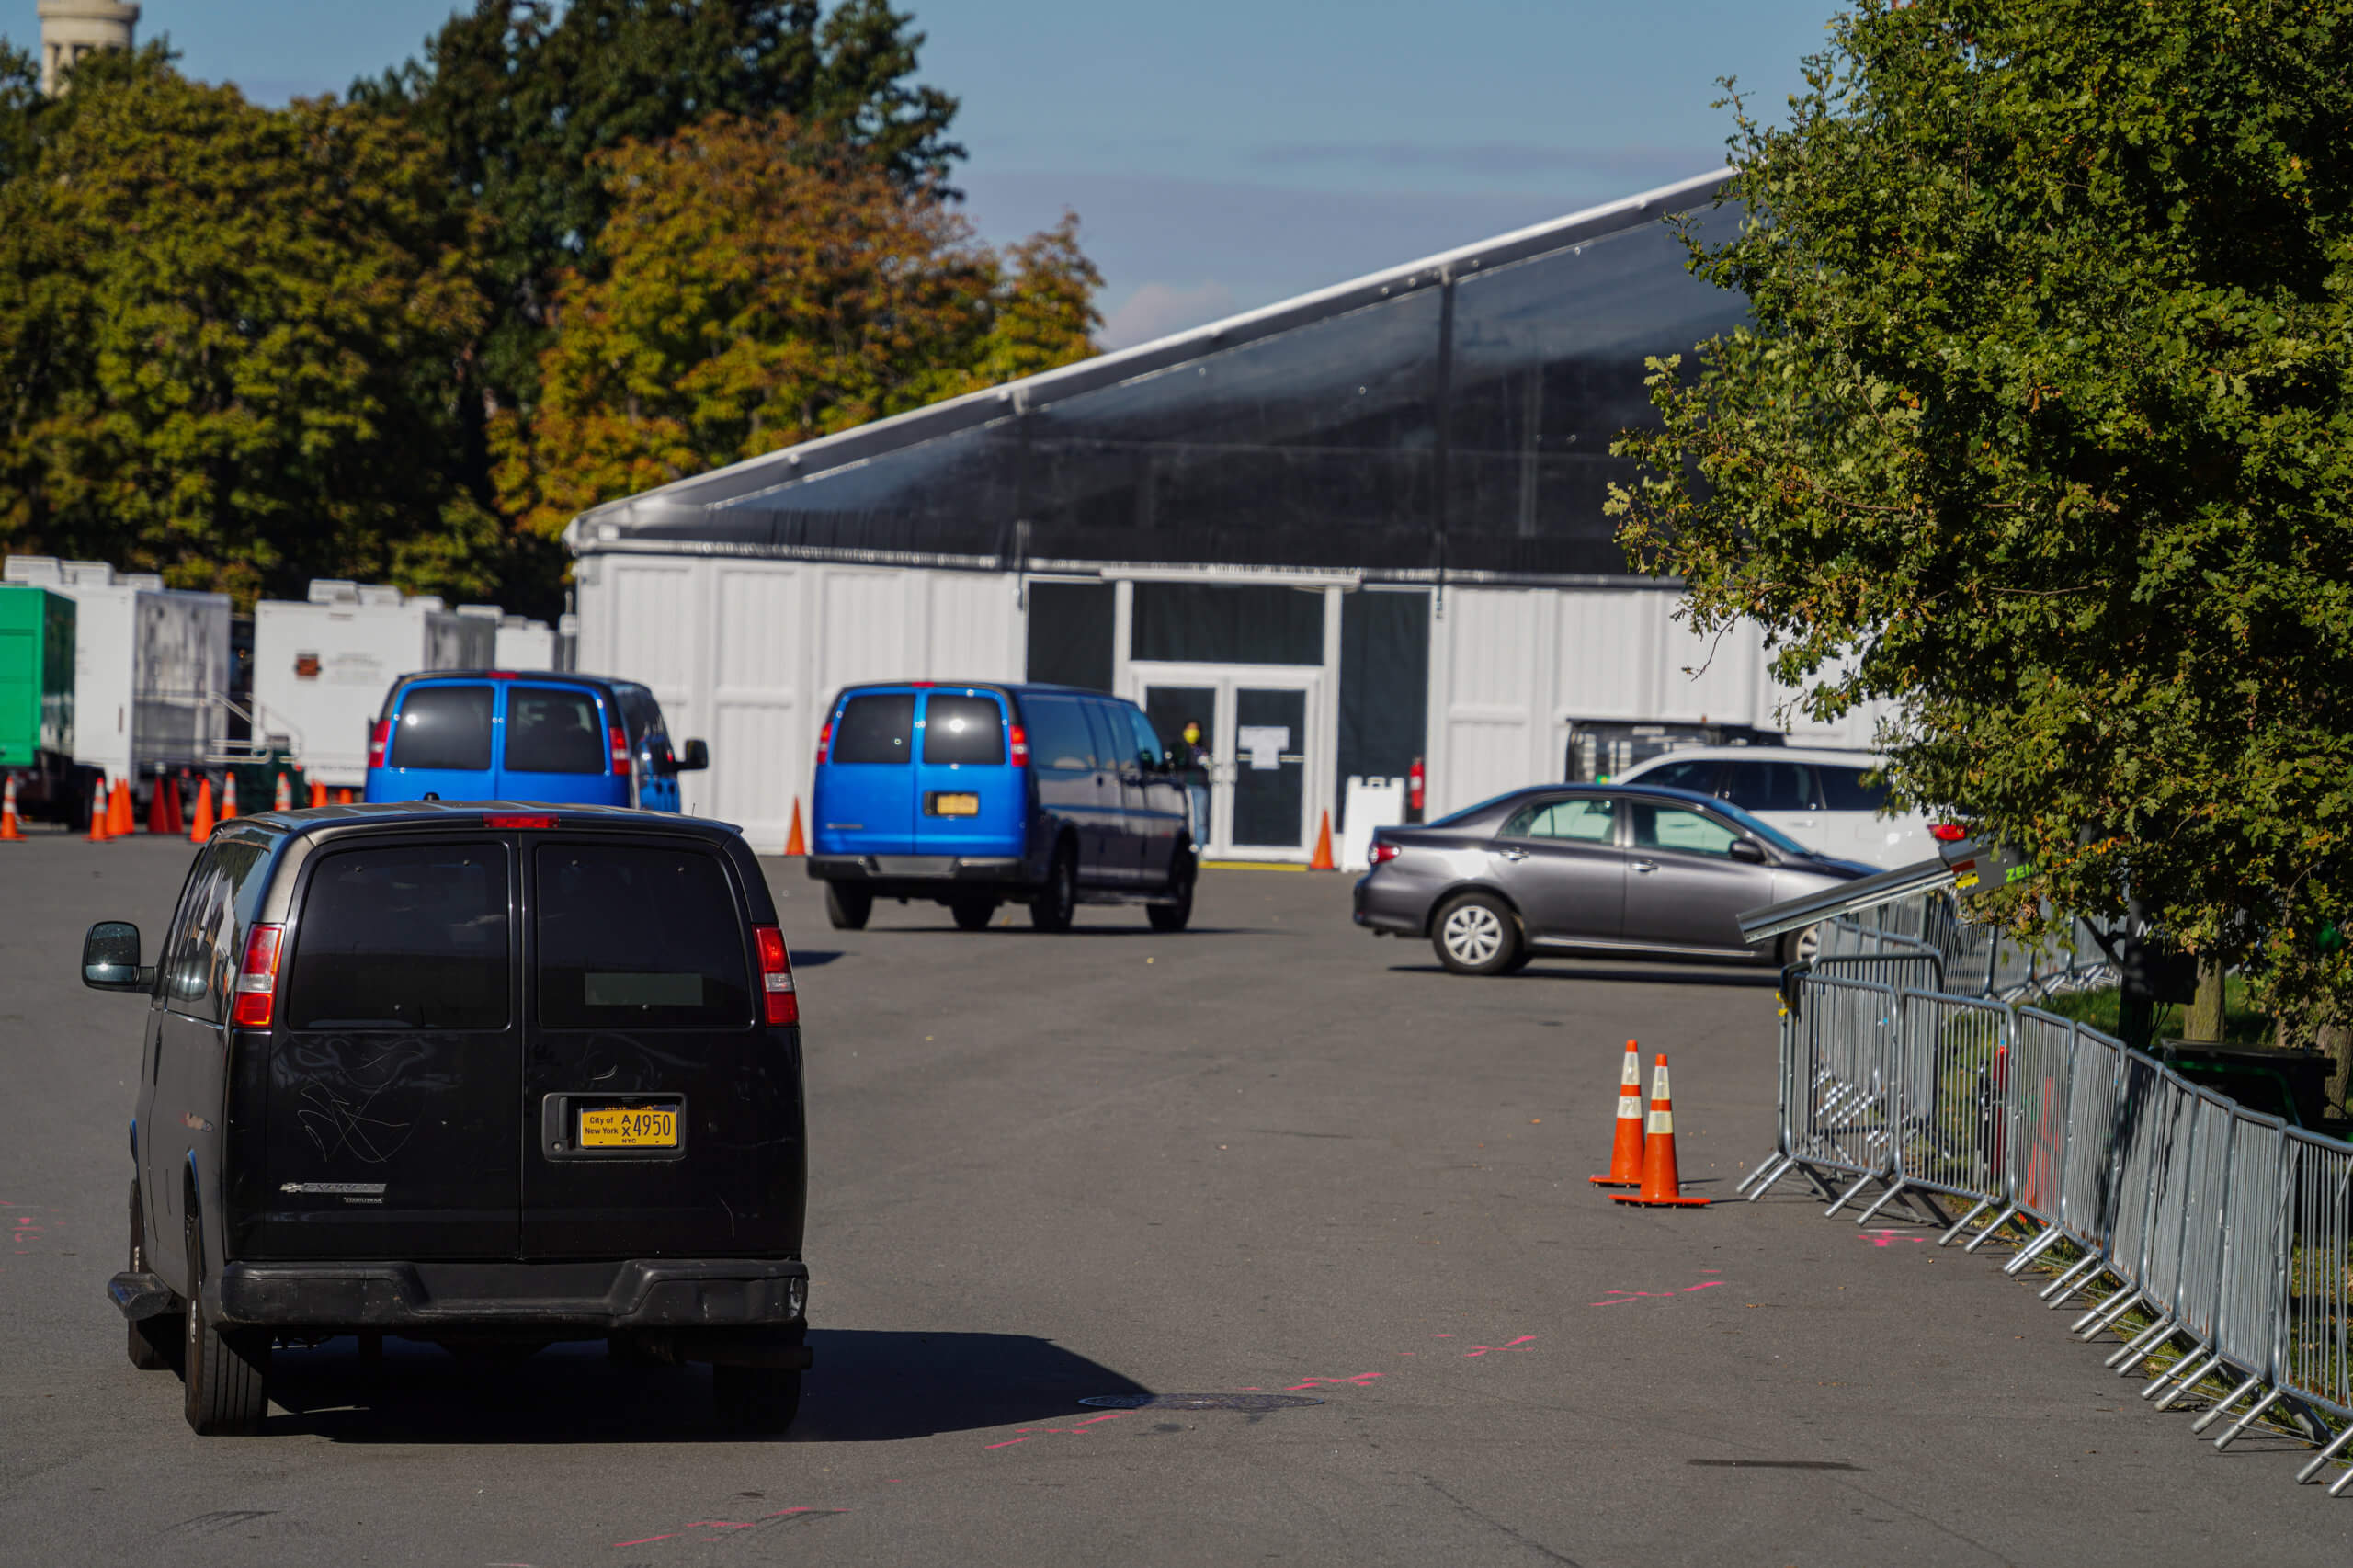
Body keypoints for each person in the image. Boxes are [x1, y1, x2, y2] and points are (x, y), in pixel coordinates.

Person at [1176, 718, 1211, 848]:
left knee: (1199, 819)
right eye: (1189, 729)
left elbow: (1206, 763)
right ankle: (1183, 848)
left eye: (1195, 729)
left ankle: (1198, 849)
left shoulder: (1203, 748)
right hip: (1184, 787)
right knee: (1183, 819)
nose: (1192, 732)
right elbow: (1178, 762)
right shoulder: (1180, 746)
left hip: (1199, 787)